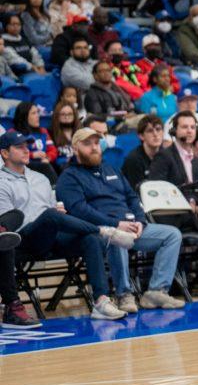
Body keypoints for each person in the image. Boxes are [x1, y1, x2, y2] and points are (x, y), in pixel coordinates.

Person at [0, 130, 130, 321]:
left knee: (89, 239)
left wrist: (58, 212)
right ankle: (104, 230)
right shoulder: (2, 182)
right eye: (19, 147)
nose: (26, 151)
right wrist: (52, 215)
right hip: (22, 241)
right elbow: (8, 223)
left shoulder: (41, 178)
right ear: (4, 153)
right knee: (50, 216)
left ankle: (101, 301)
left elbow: (54, 209)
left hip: (51, 234)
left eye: (26, 146)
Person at [57, 127, 187, 311]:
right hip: (100, 231)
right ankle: (124, 294)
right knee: (117, 237)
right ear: (75, 148)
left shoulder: (112, 169)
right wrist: (116, 224)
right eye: (87, 144)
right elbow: (80, 210)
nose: (94, 147)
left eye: (96, 143)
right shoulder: (69, 177)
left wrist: (141, 222)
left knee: (172, 235)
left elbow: (132, 198)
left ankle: (156, 292)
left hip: (131, 226)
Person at [122, 114, 164, 191]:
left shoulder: (167, 155)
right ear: (141, 136)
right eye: (150, 131)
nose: (155, 134)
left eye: (158, 129)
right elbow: (134, 192)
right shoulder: (133, 160)